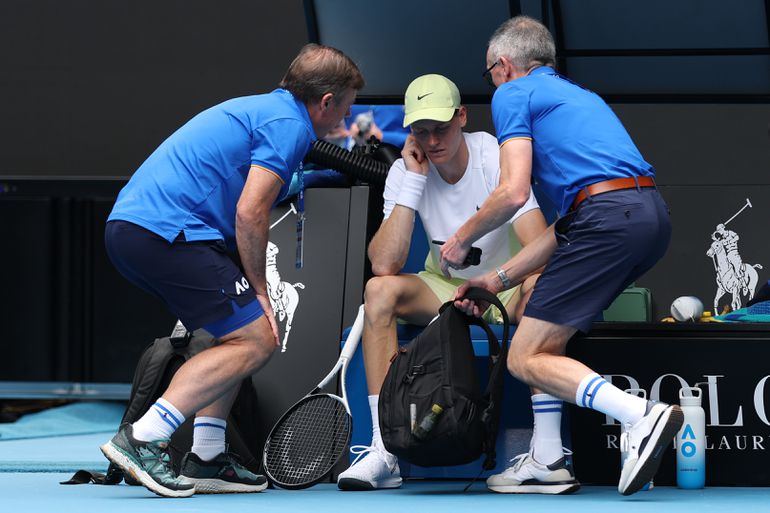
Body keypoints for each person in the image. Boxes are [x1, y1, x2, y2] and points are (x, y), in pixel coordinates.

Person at [101, 44, 364, 498]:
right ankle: (143, 438)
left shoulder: (263, 109)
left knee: (236, 335)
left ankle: (207, 455)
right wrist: (261, 288)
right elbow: (250, 212)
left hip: (134, 229)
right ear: (326, 102)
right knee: (258, 338)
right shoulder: (290, 126)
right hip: (167, 232)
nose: (347, 113)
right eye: (348, 104)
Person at [439, 16, 682, 497]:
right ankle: (548, 459)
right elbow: (571, 220)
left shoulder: (513, 93)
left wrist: (459, 241)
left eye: (489, 72)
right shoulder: (580, 97)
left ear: (504, 66)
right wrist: (498, 279)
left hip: (608, 218)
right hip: (647, 216)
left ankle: (641, 416)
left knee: (524, 356)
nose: (492, 83)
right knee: (538, 328)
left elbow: (511, 192)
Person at [336, 74, 549, 491]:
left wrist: (496, 286)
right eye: (421, 130)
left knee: (543, 288)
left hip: (507, 284)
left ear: (462, 117)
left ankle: (546, 451)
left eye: (441, 128)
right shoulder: (405, 171)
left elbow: (539, 242)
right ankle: (384, 451)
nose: (432, 140)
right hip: (443, 289)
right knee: (379, 291)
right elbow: (384, 263)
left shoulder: (494, 155)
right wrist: (413, 181)